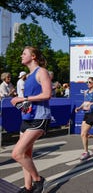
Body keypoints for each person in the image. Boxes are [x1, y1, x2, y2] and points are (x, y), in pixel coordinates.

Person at [10, 46, 52, 193]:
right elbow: (31, 99)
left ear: (33, 56)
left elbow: (47, 94)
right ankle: (28, 188)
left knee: (17, 154)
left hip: (40, 118)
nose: (21, 56)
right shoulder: (27, 77)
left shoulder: (42, 72)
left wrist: (24, 98)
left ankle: (39, 180)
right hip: (27, 117)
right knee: (26, 155)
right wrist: (21, 103)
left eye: (24, 53)